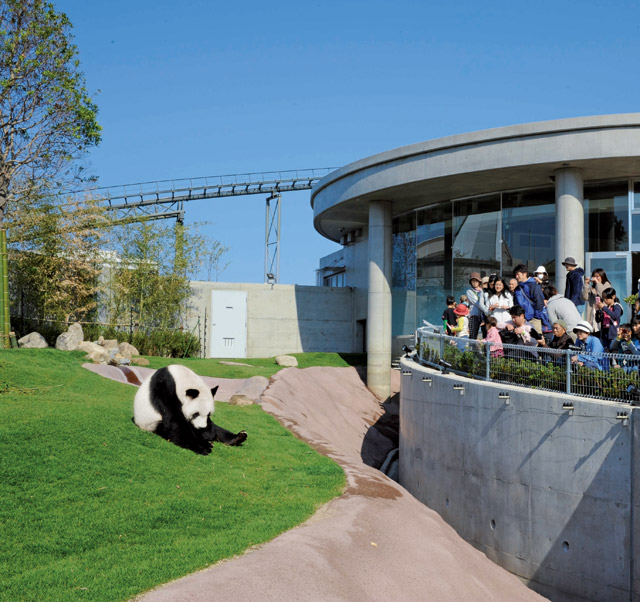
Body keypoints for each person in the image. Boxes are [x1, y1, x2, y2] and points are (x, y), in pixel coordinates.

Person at [513, 264, 549, 334]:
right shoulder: (518, 288)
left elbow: (539, 302)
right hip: (522, 319)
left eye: (518, 274)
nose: (516, 277)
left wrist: (536, 317)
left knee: (536, 340)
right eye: (515, 275)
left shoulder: (534, 285)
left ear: (524, 274)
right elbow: (515, 303)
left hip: (534, 319)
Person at [582, 268, 610, 335]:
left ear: (602, 276)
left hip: (603, 314)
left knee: (602, 333)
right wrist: (586, 285)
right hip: (593, 313)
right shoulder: (592, 288)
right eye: (594, 276)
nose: (595, 278)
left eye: (598, 276)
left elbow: (603, 295)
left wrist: (597, 283)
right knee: (594, 332)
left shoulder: (607, 284)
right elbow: (585, 297)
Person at [465, 272, 489, 340]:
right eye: (473, 281)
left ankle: (485, 350)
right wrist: (487, 310)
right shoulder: (469, 291)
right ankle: (471, 350)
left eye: (476, 281)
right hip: (474, 316)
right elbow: (477, 303)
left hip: (484, 316)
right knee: (473, 335)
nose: (475, 282)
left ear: (479, 281)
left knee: (486, 335)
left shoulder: (484, 290)